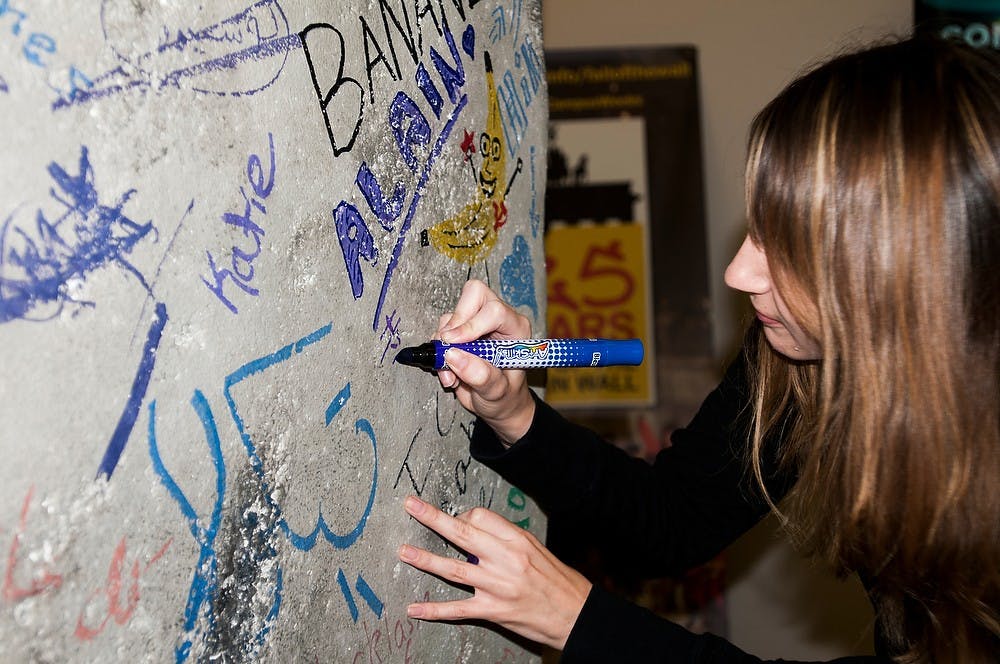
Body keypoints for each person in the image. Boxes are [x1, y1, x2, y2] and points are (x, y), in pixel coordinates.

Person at [396, 34, 1000, 663]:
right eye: (756, 228)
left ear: (905, 281)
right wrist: (514, 413)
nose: (738, 274)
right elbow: (676, 518)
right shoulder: (799, 358)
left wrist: (576, 619)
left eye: (788, 248)